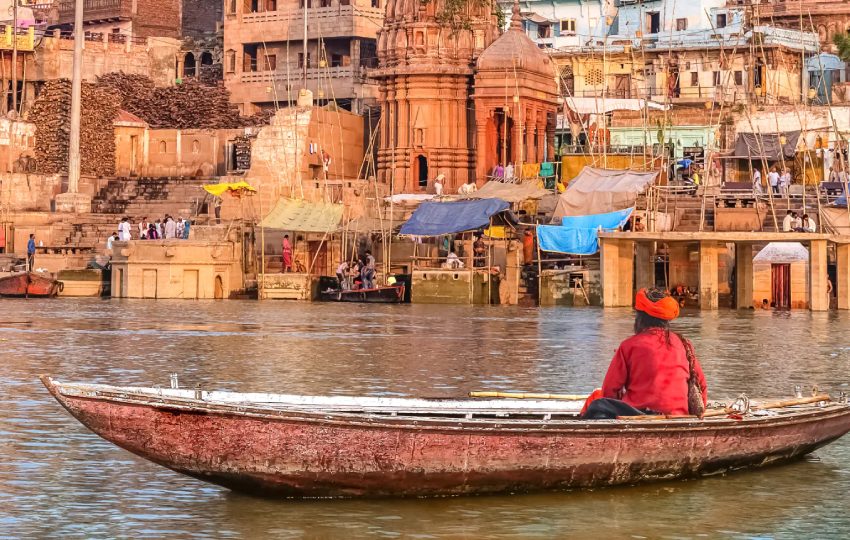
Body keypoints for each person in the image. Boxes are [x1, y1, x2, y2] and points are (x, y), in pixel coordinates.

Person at [582, 288, 708, 419]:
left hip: (639, 415)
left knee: (597, 403)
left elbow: (609, 390)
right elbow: (702, 385)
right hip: (678, 416)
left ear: (640, 319)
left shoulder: (629, 345)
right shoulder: (684, 344)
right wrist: (695, 415)